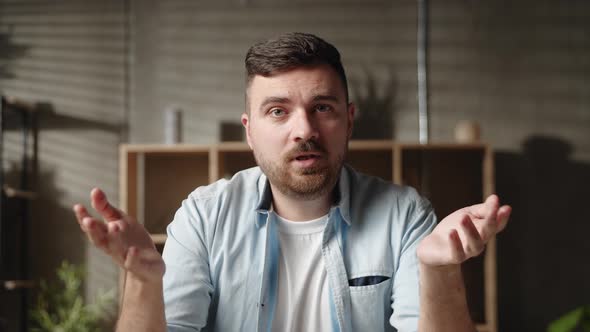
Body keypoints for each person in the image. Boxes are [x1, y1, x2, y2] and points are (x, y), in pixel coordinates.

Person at [73, 32, 511, 332]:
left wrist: (440, 270)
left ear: (348, 120)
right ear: (250, 130)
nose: (304, 130)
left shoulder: (404, 214)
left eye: (322, 107)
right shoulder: (205, 215)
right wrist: (145, 283)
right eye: (278, 110)